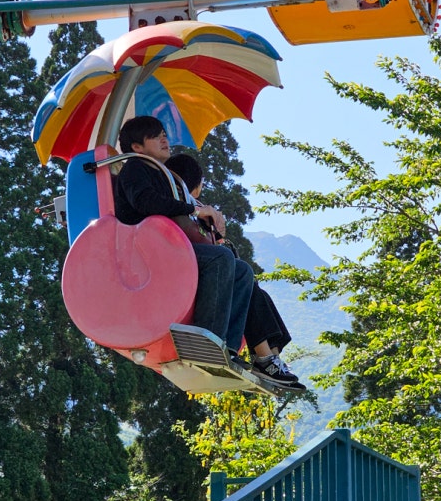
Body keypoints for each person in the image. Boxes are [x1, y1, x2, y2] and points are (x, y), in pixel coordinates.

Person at [115, 117, 299, 388]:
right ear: (137, 147)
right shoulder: (135, 169)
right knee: (221, 259)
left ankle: (229, 347)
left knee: (241, 270)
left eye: (164, 134)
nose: (165, 140)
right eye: (157, 137)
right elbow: (144, 201)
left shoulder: (159, 174)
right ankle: (207, 339)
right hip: (147, 254)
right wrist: (193, 209)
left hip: (167, 250)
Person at [165, 153, 301, 387]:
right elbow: (199, 242)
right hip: (191, 270)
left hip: (197, 268)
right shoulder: (182, 204)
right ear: (196, 187)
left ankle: (269, 356)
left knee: (250, 283)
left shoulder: (180, 203)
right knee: (244, 279)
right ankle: (266, 358)